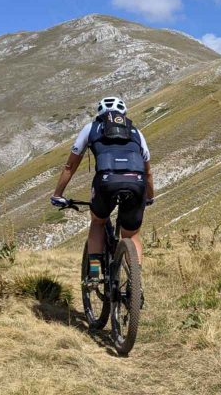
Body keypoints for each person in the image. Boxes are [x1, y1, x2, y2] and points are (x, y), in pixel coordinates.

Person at [50, 97, 154, 272]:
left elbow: (70, 165)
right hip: (137, 183)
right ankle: (135, 281)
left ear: (100, 113)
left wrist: (58, 195)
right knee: (132, 233)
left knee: (98, 221)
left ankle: (95, 272)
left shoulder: (91, 128)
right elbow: (148, 171)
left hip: (106, 182)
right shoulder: (136, 132)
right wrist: (150, 196)